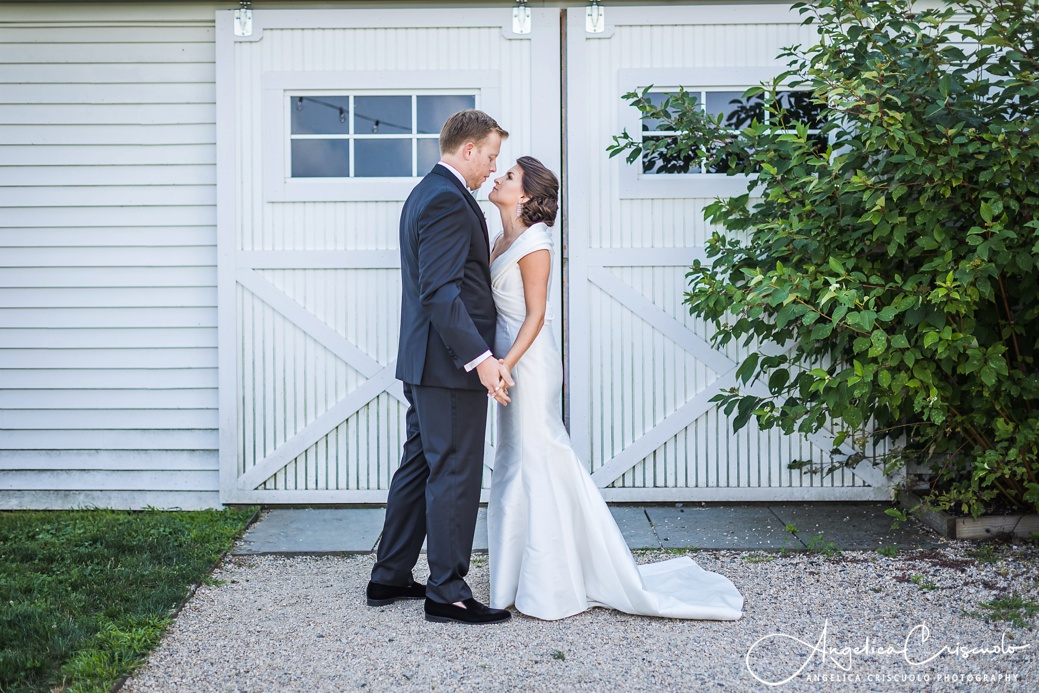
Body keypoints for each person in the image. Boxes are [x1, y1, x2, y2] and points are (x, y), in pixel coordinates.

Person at [485, 156, 744, 621]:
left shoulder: (535, 243)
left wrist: (506, 363)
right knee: (511, 461)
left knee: (537, 458)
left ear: (523, 195)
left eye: (508, 177)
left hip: (528, 363)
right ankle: (516, 575)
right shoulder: (499, 237)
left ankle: (553, 582)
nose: (497, 178)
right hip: (504, 363)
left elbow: (536, 315)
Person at [367, 110, 515, 626]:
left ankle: (389, 575)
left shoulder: (427, 192)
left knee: (422, 464)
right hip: (450, 366)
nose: (492, 169)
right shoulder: (449, 201)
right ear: (468, 149)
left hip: (425, 360)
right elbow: (441, 292)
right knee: (453, 469)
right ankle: (447, 591)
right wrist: (481, 360)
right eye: (491, 157)